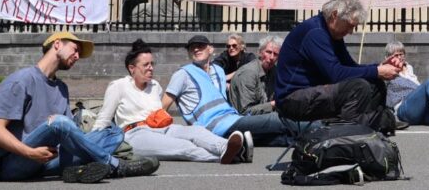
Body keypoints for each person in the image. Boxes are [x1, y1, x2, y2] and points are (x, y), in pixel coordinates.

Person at [0, 32, 159, 183]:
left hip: (49, 160)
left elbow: (70, 133)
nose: (77, 56)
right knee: (59, 123)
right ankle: (113, 165)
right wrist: (30, 152)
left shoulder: (61, 88)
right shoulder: (21, 80)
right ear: (57, 44)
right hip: (17, 164)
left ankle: (78, 169)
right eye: (75, 50)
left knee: (113, 133)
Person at [95, 39, 243, 164]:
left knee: (196, 131)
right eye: (146, 65)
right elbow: (103, 120)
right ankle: (226, 157)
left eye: (152, 64)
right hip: (135, 134)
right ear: (132, 68)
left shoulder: (155, 86)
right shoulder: (118, 86)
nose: (151, 68)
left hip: (161, 127)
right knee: (183, 147)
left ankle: (228, 147)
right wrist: (90, 146)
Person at [274, 0, 404, 127]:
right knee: (358, 87)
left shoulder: (333, 34)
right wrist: (377, 71)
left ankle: (372, 125)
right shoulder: (315, 33)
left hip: (313, 93)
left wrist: (379, 68)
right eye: (350, 25)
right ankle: (350, 131)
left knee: (374, 83)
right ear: (335, 15)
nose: (351, 31)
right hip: (292, 100)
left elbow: (350, 67)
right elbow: (336, 74)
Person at [163, 34, 289, 151]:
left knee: (281, 138)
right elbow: (163, 107)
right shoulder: (183, 74)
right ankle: (308, 126)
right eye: (192, 48)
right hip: (210, 127)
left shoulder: (218, 71)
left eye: (200, 46)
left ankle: (304, 142)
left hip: (232, 119)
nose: (196, 49)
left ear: (211, 49)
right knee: (279, 120)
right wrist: (161, 132)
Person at [384, 41, 429, 126]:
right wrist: (386, 65)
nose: (399, 57)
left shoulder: (409, 68)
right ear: (389, 57)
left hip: (420, 111)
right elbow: (380, 76)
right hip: (404, 109)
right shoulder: (386, 71)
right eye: (396, 55)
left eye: (401, 54)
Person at [229, 36, 283, 115]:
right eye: (268, 52)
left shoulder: (274, 71)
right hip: (242, 120)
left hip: (262, 117)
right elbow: (246, 112)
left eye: (275, 54)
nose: (271, 57)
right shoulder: (248, 73)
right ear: (260, 52)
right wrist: (273, 104)